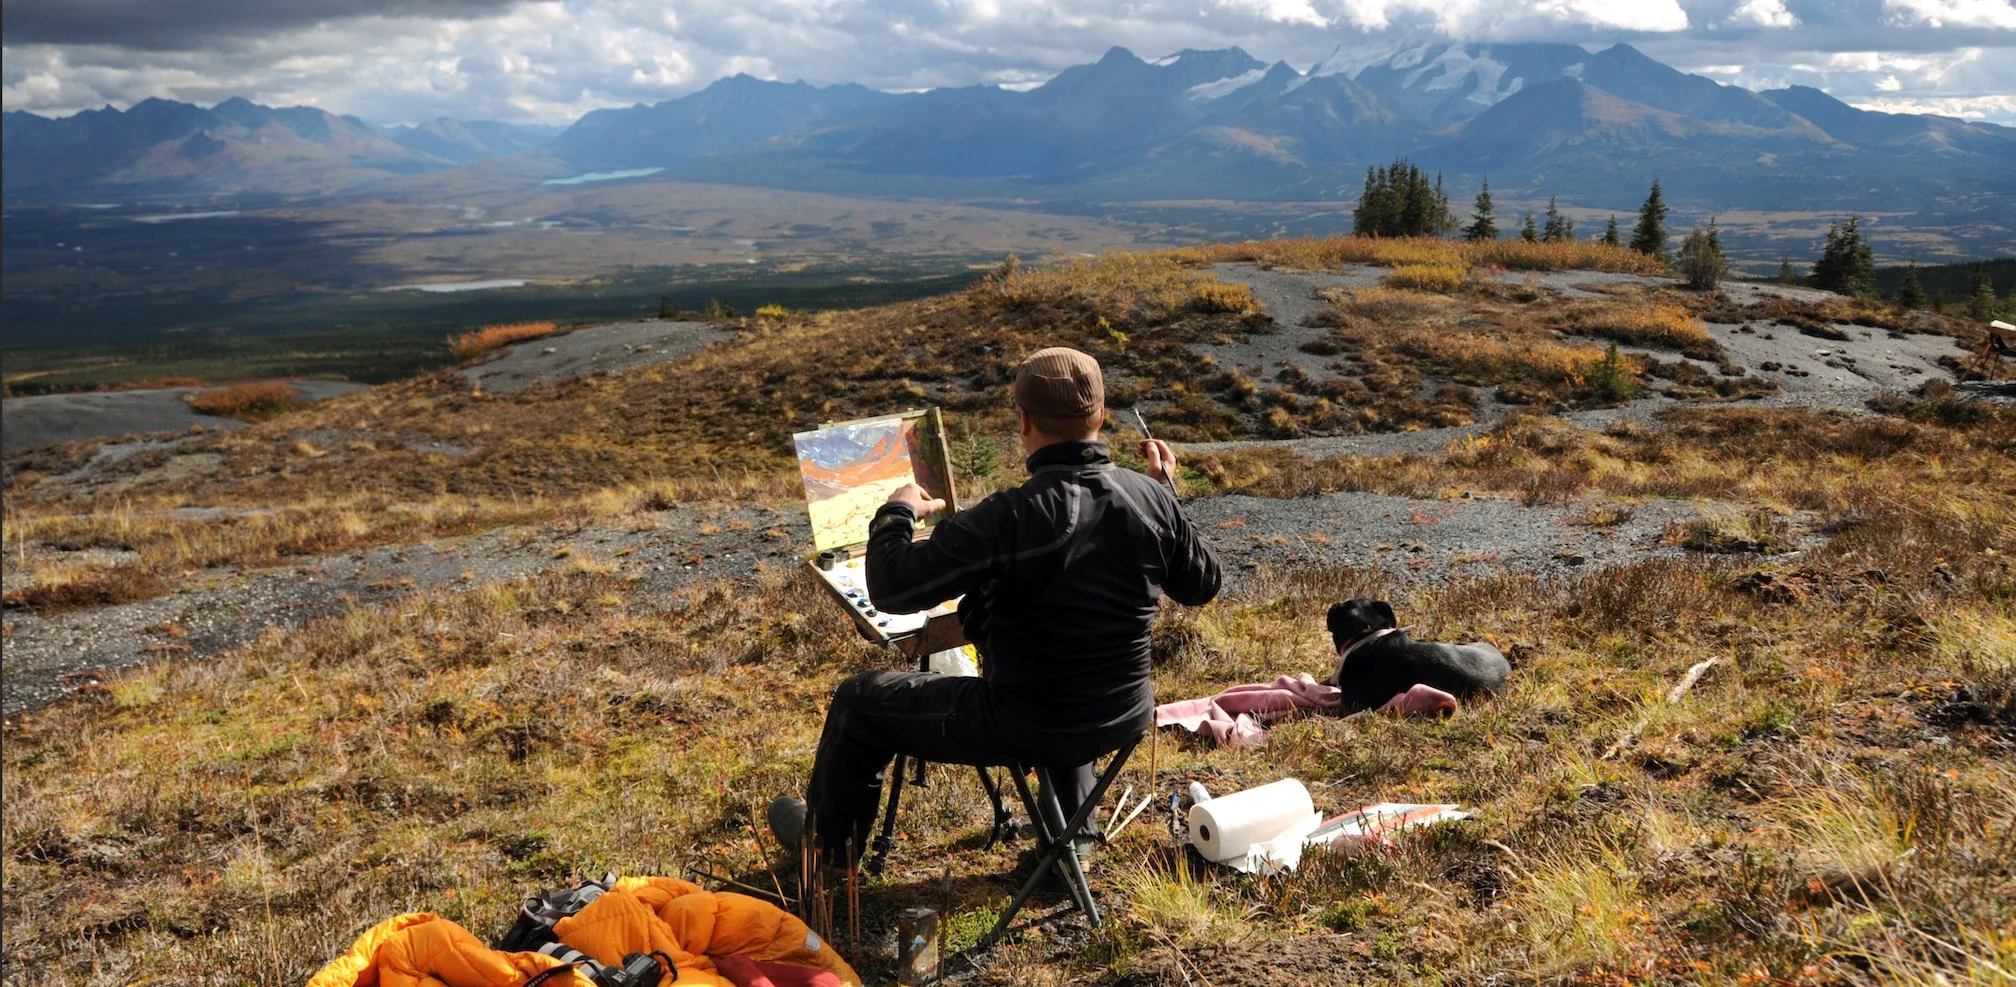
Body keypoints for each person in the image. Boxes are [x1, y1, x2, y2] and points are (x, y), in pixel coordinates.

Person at [770, 346, 1222, 868]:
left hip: (1026, 721)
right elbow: (1203, 584)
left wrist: (896, 511)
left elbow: (892, 588)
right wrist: (1164, 490)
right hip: (1123, 713)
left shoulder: (1009, 516)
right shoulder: (1149, 497)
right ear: (1100, 416)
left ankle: (825, 853)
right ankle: (1071, 845)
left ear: (1024, 421)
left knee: (857, 701)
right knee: (1061, 677)